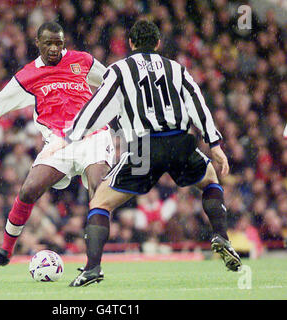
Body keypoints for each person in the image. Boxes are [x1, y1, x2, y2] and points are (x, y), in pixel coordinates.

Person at [61, 20, 242, 286]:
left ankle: (92, 268)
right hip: (180, 141)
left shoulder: (119, 70)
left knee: (100, 203)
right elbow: (197, 102)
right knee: (210, 179)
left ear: (131, 44)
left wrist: (72, 135)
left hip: (145, 147)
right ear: (158, 43)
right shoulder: (176, 69)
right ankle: (221, 235)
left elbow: (96, 107)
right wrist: (214, 143)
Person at [0, 22, 115, 274]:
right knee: (29, 189)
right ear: (37, 43)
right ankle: (4, 253)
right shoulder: (27, 75)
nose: (54, 48)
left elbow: (112, 81)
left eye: (59, 43)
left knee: (98, 193)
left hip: (94, 134)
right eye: (49, 43)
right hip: (59, 142)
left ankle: (93, 266)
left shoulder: (83, 61)